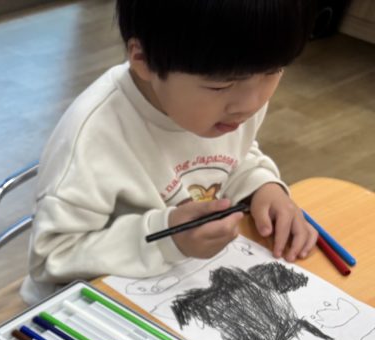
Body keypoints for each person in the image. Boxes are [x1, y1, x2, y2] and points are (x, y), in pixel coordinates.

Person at [21, 0, 319, 304]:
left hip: (178, 283)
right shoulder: (93, 135)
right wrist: (167, 239)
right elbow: (51, 257)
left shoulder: (226, 105)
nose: (251, 103)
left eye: (273, 71)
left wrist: (262, 186)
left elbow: (235, 157)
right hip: (82, 306)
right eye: (220, 86)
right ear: (143, 59)